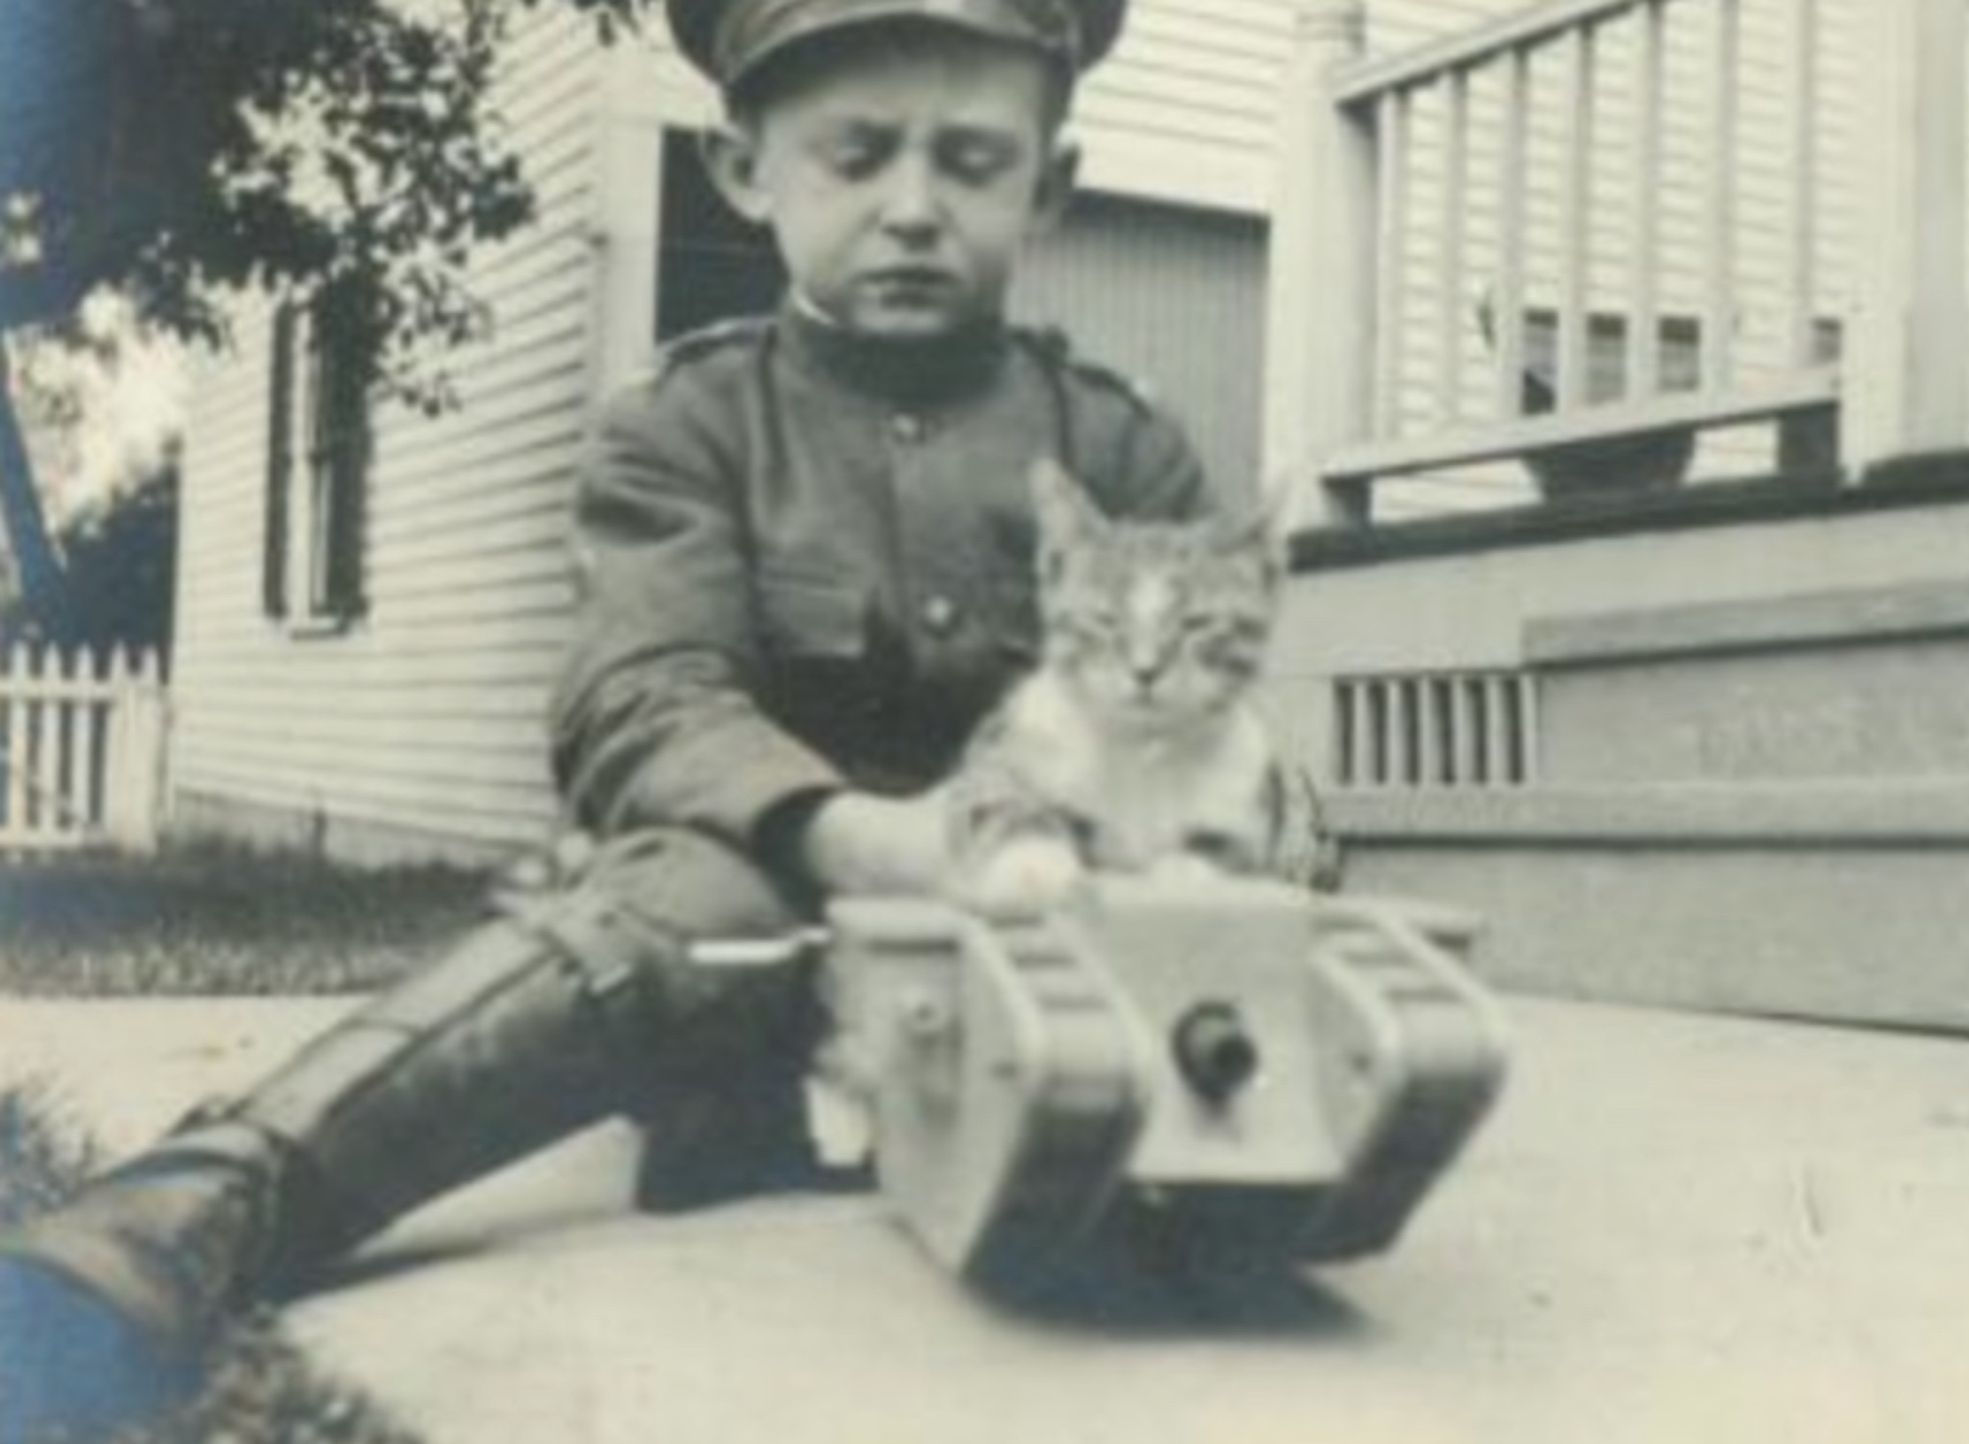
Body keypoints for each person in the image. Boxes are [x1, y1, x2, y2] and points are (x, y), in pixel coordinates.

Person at [0, 0, 1232, 1435]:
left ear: (1050, 186)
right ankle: (204, 1203)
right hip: (755, 943)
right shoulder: (686, 426)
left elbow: (1186, 717)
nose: (912, 208)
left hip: (1031, 945)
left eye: (969, 161)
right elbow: (640, 702)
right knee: (680, 890)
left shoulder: (1122, 447)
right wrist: (863, 838)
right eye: (856, 155)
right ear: (743, 169)